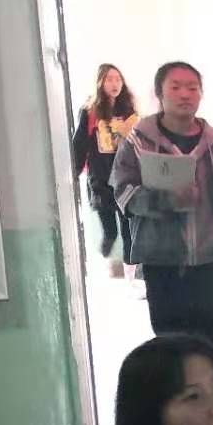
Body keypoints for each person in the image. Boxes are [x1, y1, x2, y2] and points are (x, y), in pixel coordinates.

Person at [110, 61, 213, 367]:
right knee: (173, 351)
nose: (185, 94)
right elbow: (123, 194)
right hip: (164, 266)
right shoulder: (139, 141)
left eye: (193, 88)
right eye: (175, 87)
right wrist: (164, 200)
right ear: (159, 94)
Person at [71, 63, 138, 278]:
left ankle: (130, 279)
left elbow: (140, 144)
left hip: (126, 180)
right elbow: (80, 143)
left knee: (129, 231)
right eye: (109, 79)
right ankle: (101, 269)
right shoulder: (90, 112)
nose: (115, 83)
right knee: (110, 232)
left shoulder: (128, 112)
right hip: (101, 180)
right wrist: (73, 174)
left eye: (118, 79)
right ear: (100, 82)